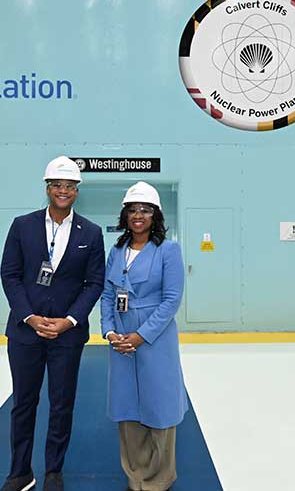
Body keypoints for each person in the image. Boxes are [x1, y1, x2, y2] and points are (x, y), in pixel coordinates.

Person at [0, 156, 105, 491]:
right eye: (57, 185)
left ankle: (53, 471)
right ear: (47, 188)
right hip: (24, 334)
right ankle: (20, 472)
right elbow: (10, 275)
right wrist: (29, 317)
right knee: (23, 403)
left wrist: (70, 321)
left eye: (70, 186)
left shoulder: (91, 232)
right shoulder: (22, 226)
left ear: (77, 191)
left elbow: (94, 283)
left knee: (61, 403)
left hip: (66, 337)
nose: (63, 191)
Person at [100, 181, 188, 491]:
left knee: (159, 406)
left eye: (145, 210)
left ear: (155, 216)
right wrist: (110, 331)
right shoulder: (118, 251)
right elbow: (108, 294)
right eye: (133, 209)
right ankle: (135, 475)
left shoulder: (168, 250)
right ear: (125, 215)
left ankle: (159, 478)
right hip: (120, 340)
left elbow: (171, 300)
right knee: (127, 407)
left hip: (155, 338)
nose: (139, 215)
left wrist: (141, 335)